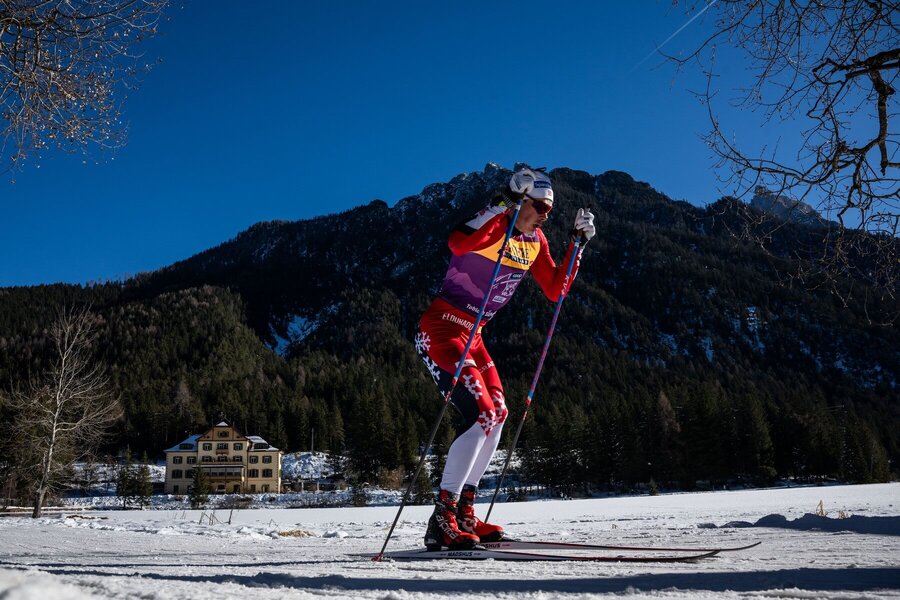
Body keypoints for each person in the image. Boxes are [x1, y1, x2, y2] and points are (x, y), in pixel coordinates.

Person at [414, 167, 596, 550]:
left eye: (549, 210)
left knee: (498, 413)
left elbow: (555, 290)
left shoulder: (536, 241)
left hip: (474, 336)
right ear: (522, 200)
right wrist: (503, 204)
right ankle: (441, 519)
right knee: (480, 411)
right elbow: (458, 244)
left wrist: (576, 247)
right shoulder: (497, 224)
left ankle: (465, 510)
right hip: (442, 329)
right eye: (539, 207)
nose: (544, 215)